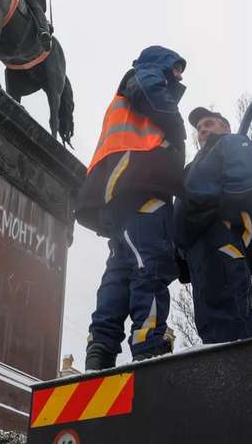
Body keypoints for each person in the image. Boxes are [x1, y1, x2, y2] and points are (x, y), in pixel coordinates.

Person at [75, 46, 187, 370]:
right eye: (177, 68)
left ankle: (100, 346)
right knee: (149, 265)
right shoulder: (145, 75)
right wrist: (177, 128)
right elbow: (151, 92)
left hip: (120, 192)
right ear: (163, 63)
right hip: (142, 185)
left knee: (120, 270)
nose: (179, 76)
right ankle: (148, 344)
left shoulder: (129, 93)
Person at [175, 107, 252, 344]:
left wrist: (227, 215)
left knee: (232, 317)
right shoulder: (192, 167)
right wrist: (181, 255)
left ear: (225, 127)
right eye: (199, 128)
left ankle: (243, 373)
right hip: (198, 254)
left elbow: (243, 176)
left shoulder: (233, 142)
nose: (203, 130)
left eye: (209, 123)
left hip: (223, 239)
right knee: (209, 325)